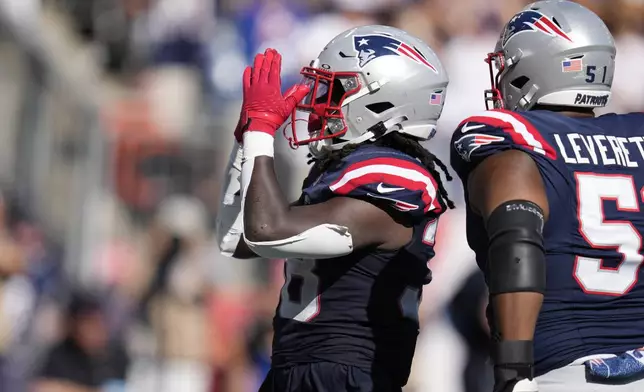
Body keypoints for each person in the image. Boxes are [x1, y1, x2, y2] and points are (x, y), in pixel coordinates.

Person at [216, 25, 454, 391]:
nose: (317, 102)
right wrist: (246, 139)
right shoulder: (341, 171)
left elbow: (266, 231)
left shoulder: (391, 175)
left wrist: (262, 131)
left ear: (380, 101)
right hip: (296, 370)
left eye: (335, 88)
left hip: (346, 375)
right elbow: (237, 239)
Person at [450, 1, 644, 391]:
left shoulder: (511, 135)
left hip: (569, 369)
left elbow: (517, 244)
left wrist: (512, 372)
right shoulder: (637, 134)